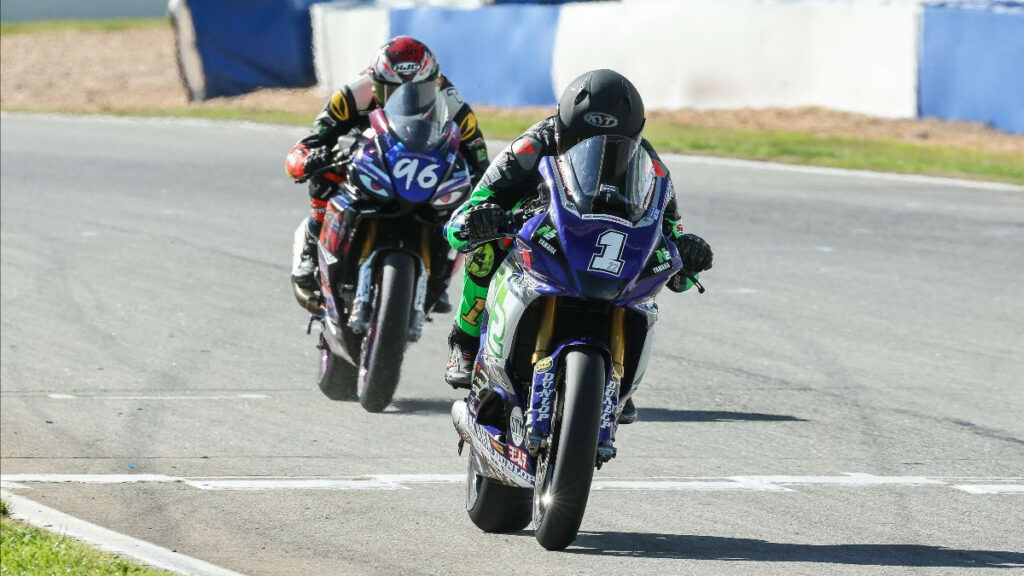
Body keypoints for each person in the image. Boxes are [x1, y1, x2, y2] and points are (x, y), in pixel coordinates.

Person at [441, 69, 714, 423]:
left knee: (644, 295)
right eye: (582, 138)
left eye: (613, 140)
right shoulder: (531, 145)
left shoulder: (652, 168)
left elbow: (669, 226)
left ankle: (617, 378)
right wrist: (479, 218)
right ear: (562, 126)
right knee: (484, 251)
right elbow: (478, 200)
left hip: (603, 249)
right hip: (537, 233)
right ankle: (465, 342)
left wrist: (685, 252)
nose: (597, 149)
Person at [285, 36, 490, 312]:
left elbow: (480, 162)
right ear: (376, 83)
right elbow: (311, 142)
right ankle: (312, 245)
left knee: (466, 200)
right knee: (325, 171)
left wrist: (480, 190)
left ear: (435, 83)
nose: (407, 98)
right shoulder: (353, 94)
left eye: (419, 90)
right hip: (370, 157)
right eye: (393, 90)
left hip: (423, 164)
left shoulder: (454, 104)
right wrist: (309, 159)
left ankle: (440, 270)